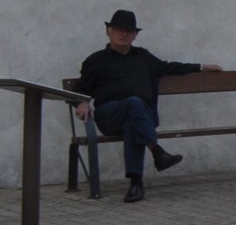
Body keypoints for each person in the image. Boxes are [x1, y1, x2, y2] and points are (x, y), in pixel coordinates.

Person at [73, 10, 223, 203]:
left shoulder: (142, 56)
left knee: (133, 123)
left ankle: (136, 184)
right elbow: (81, 89)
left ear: (135, 35)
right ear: (108, 31)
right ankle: (155, 149)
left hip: (138, 118)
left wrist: (200, 67)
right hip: (109, 116)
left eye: (129, 31)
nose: (124, 34)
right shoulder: (95, 60)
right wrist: (82, 102)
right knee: (135, 103)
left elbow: (168, 67)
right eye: (119, 29)